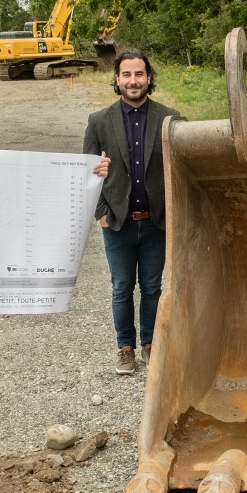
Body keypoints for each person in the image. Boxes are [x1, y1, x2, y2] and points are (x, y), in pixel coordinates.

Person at [83, 49, 180, 375]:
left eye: (139, 74)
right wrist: (100, 213)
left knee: (152, 287)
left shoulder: (170, 119)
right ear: (117, 79)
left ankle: (150, 344)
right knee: (122, 287)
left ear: (149, 78)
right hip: (118, 224)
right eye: (126, 74)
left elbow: (181, 171)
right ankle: (125, 348)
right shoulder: (99, 121)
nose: (133, 80)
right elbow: (88, 172)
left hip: (157, 223)